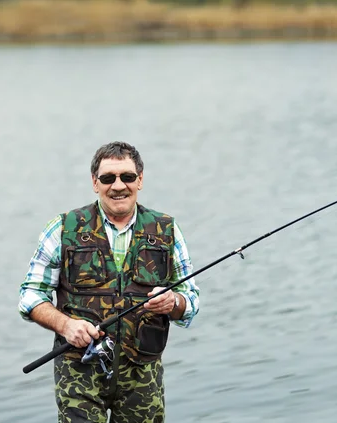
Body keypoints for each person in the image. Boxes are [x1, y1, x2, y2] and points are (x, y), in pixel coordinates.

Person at [19, 141, 200, 423]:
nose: (118, 186)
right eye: (108, 178)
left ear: (140, 179)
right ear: (95, 182)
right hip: (79, 372)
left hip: (143, 375)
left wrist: (173, 301)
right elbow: (30, 297)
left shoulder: (166, 230)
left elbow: (190, 301)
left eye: (127, 177)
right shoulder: (63, 227)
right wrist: (66, 325)